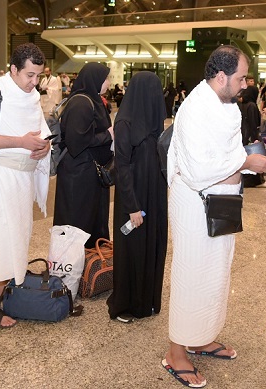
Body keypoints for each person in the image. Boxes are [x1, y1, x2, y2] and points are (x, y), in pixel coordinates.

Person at [163, 45, 266, 388]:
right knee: (191, 275)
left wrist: (247, 159)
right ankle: (175, 352)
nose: (245, 84)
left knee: (215, 274)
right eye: (240, 78)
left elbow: (230, 150)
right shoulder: (195, 108)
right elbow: (197, 170)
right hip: (195, 204)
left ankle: (201, 336)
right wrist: (245, 163)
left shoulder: (227, 105)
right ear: (221, 76)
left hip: (223, 201)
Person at [0, 42, 52, 328]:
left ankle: (0, 291)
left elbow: (43, 133)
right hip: (1, 178)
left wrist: (42, 149)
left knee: (17, 237)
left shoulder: (31, 98)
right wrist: (20, 142)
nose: (34, 82)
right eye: (29, 75)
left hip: (24, 179)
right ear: (14, 69)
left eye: (38, 76)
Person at [106, 71, 168, 323]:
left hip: (154, 196)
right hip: (133, 200)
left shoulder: (154, 126)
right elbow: (121, 167)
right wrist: (132, 207)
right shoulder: (125, 123)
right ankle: (126, 305)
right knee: (132, 249)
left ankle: (148, 301)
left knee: (153, 246)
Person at [53, 63, 114, 249]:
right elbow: (76, 141)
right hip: (79, 175)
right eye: (106, 78)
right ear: (94, 79)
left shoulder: (93, 100)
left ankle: (90, 269)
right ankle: (74, 270)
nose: (109, 82)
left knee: (90, 220)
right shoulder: (81, 103)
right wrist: (109, 135)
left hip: (89, 173)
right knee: (78, 223)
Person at [238, 92, 266, 188]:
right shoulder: (252, 105)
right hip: (250, 135)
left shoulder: (240, 104)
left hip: (242, 135)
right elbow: (253, 122)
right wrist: (255, 137)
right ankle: (257, 181)